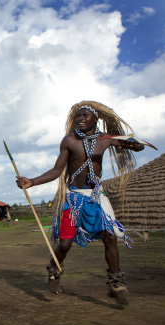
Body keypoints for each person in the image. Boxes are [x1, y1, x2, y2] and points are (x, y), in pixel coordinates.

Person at [16, 101, 144, 306]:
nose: (81, 119)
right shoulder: (69, 141)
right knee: (65, 244)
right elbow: (57, 170)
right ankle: (54, 269)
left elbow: (138, 147)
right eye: (78, 116)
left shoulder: (106, 140)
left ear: (96, 119)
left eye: (85, 115)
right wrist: (32, 182)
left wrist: (132, 142)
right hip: (74, 198)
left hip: (95, 196)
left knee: (110, 236)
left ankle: (116, 284)